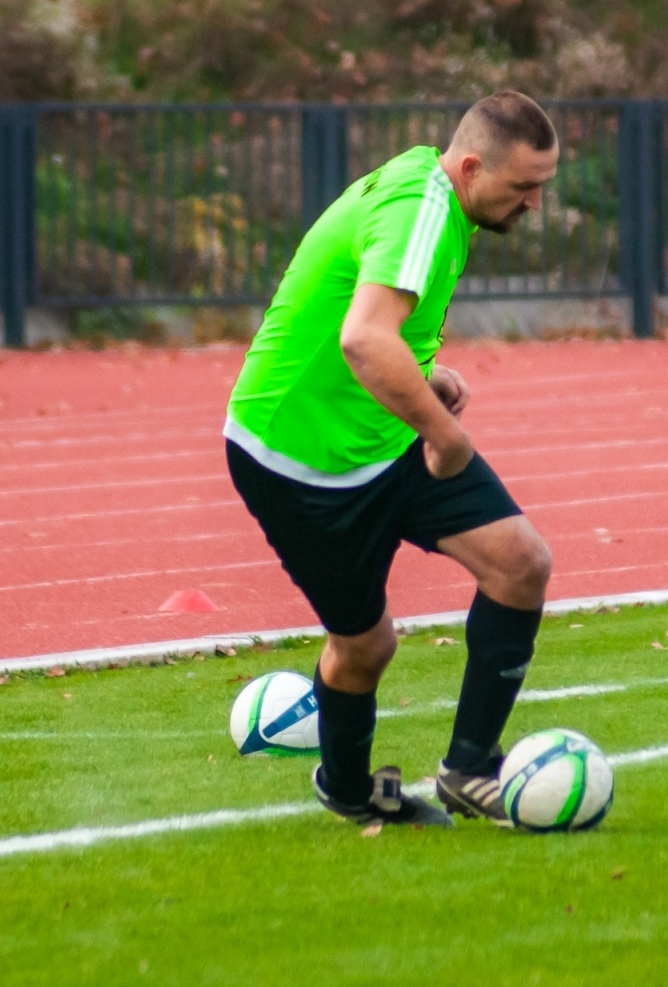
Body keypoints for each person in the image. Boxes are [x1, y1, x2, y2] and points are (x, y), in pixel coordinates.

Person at [224, 90, 560, 828]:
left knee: (521, 563)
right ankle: (346, 788)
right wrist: (443, 433)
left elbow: (375, 330)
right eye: (524, 186)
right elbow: (363, 339)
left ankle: (470, 769)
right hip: (298, 460)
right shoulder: (422, 208)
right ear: (472, 166)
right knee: (365, 646)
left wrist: (423, 378)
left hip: (380, 434)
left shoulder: (439, 193)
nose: (535, 203)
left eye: (542, 185)